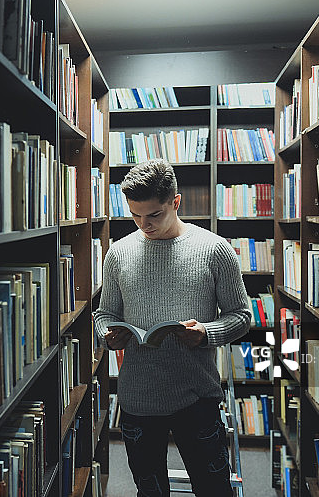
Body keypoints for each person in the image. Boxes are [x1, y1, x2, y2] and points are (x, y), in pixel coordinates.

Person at [94, 158, 250, 497]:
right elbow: (104, 314)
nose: (143, 224)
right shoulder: (118, 253)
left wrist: (205, 333)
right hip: (138, 398)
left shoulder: (214, 249)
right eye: (134, 215)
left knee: (213, 489)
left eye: (153, 215)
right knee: (150, 491)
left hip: (196, 396)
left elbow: (241, 316)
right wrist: (108, 335)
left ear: (175, 202)